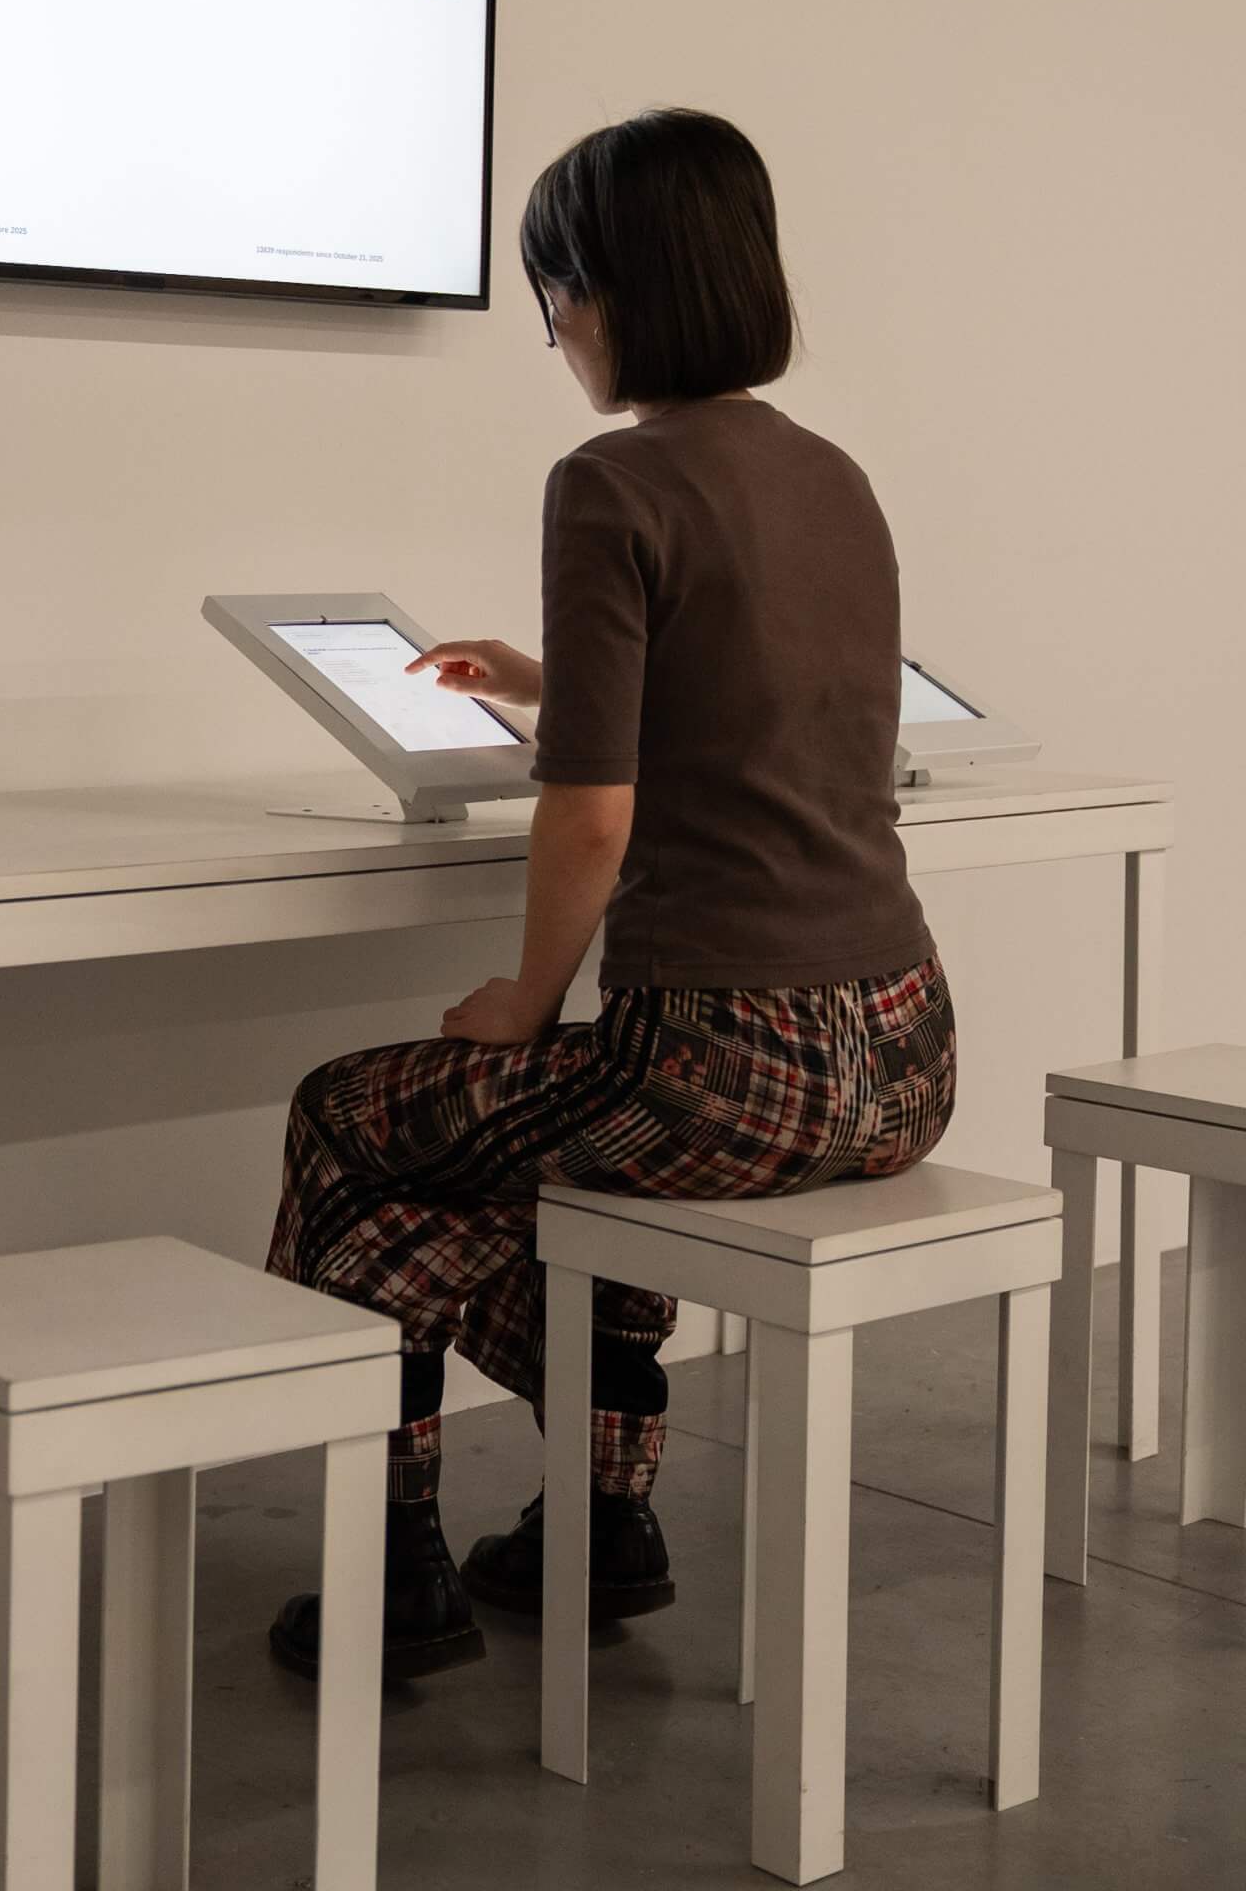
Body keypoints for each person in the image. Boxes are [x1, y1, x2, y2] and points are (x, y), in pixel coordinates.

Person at [265, 108, 954, 1682]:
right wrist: (550, 672)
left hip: (733, 1068)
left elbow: (590, 816)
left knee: (354, 1125)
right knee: (575, 1151)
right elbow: (752, 688)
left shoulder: (609, 478)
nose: (554, 329)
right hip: (906, 1056)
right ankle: (601, 1520)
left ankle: (391, 1569)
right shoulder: (836, 477)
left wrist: (527, 1000)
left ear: (605, 290)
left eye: (552, 291)